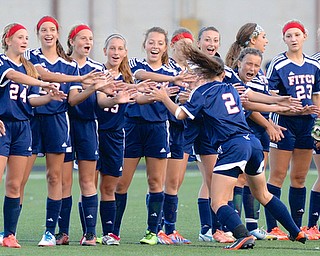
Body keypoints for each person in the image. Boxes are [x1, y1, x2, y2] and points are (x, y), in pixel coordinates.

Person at [148, 44, 307, 250]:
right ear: (222, 74)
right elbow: (249, 100)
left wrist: (163, 98)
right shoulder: (231, 88)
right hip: (253, 143)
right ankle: (296, 230)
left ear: (203, 73)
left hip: (233, 146)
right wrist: (278, 102)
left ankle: (242, 236)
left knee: (217, 201)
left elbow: (180, 114)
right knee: (264, 194)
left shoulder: (202, 91)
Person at [0, 23, 66, 248]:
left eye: (26, 37)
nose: (25, 40)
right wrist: (42, 82)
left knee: (15, 185)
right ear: (8, 40)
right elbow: (14, 77)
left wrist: (49, 97)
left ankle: (9, 235)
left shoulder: (28, 67)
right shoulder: (3, 63)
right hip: (3, 126)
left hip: (23, 127)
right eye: (19, 37)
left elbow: (29, 100)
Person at [114, 26, 177, 245]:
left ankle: (152, 232)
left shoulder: (172, 71)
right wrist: (161, 91)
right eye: (151, 42)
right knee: (121, 183)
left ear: (165, 46)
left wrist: (170, 87)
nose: (155, 46)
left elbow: (176, 96)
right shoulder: (135, 65)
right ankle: (113, 231)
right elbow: (138, 79)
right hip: (132, 127)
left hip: (158, 128)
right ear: (144, 44)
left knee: (155, 181)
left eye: (160, 43)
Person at [265, 20, 320, 239]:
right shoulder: (278, 63)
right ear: (284, 39)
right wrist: (286, 106)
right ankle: (272, 228)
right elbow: (268, 95)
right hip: (284, 122)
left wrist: (317, 119)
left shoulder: (314, 65)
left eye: (297, 35)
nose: (293, 39)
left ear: (304, 36)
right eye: (289, 36)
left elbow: (316, 95)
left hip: (306, 123)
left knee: (299, 177)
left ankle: (297, 228)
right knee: (277, 175)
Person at [225, 23, 277, 240]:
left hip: (259, 132)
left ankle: (252, 225)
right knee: (240, 179)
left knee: (256, 178)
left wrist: (276, 107)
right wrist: (269, 121)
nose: (266, 40)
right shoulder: (238, 69)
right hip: (247, 129)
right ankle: (234, 226)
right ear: (252, 39)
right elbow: (248, 103)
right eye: (263, 36)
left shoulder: (258, 67)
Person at [96, 33, 137, 246]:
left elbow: (138, 97)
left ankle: (109, 233)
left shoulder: (128, 79)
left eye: (120, 49)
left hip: (115, 136)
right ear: (105, 51)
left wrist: (159, 95)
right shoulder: (98, 73)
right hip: (94, 133)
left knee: (109, 187)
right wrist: (115, 98)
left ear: (125, 52)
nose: (116, 52)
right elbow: (102, 101)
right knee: (88, 185)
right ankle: (88, 232)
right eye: (112, 48)